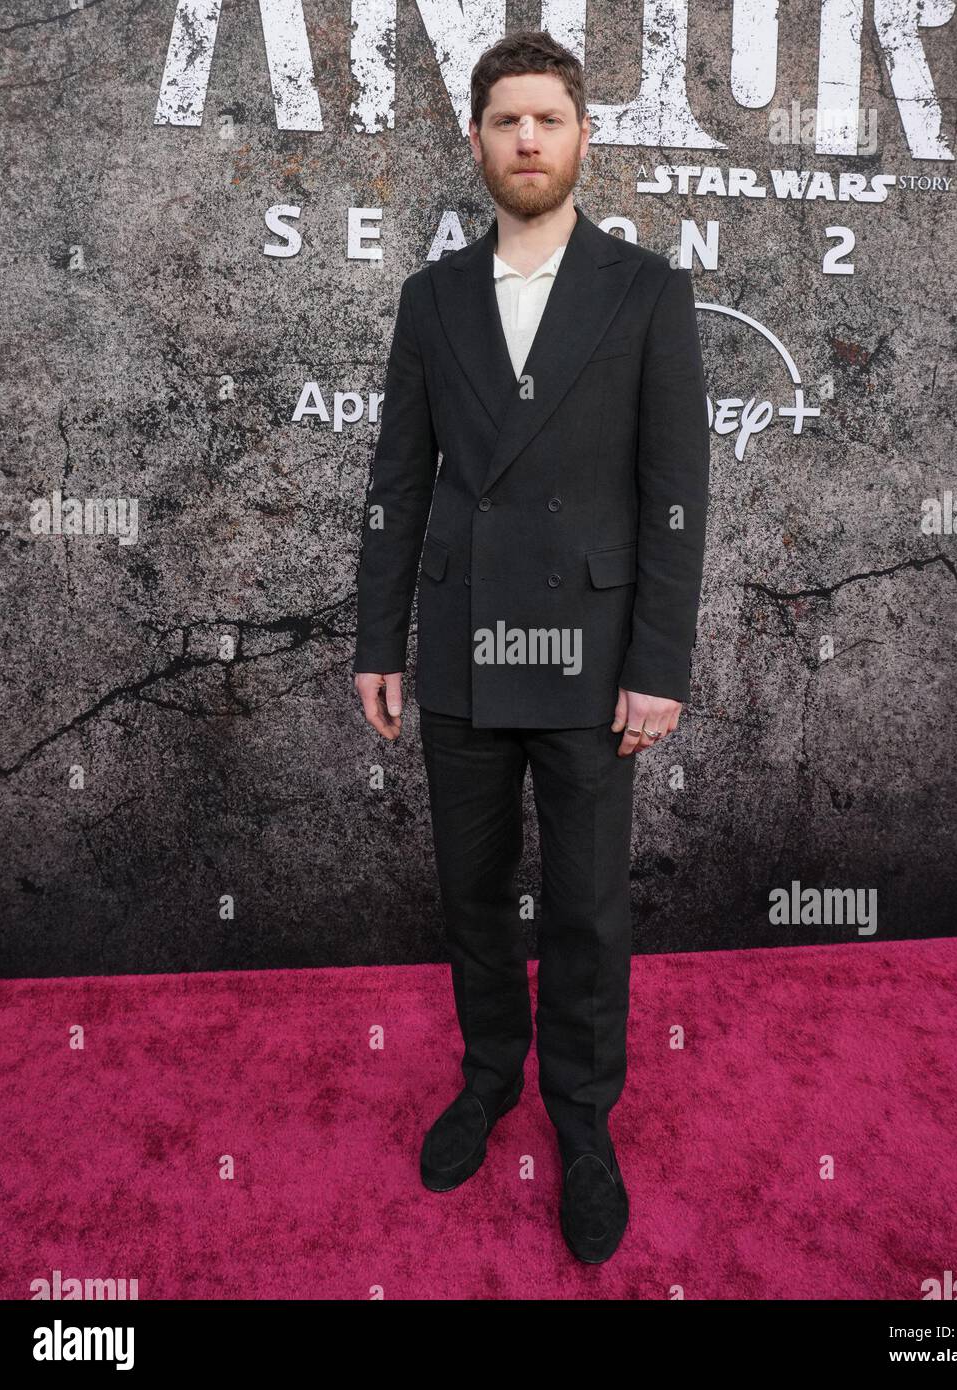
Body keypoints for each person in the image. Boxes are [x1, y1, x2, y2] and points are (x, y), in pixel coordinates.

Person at [353, 29, 709, 1264]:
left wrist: (657, 663)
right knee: (468, 892)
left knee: (586, 907)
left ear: (580, 139)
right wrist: (375, 637)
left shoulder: (645, 291)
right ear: (477, 141)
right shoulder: (429, 298)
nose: (525, 140)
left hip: (592, 648)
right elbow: (398, 481)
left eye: (546, 120)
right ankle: (487, 1075)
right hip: (453, 642)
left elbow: (675, 491)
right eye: (504, 121)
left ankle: (583, 1118)